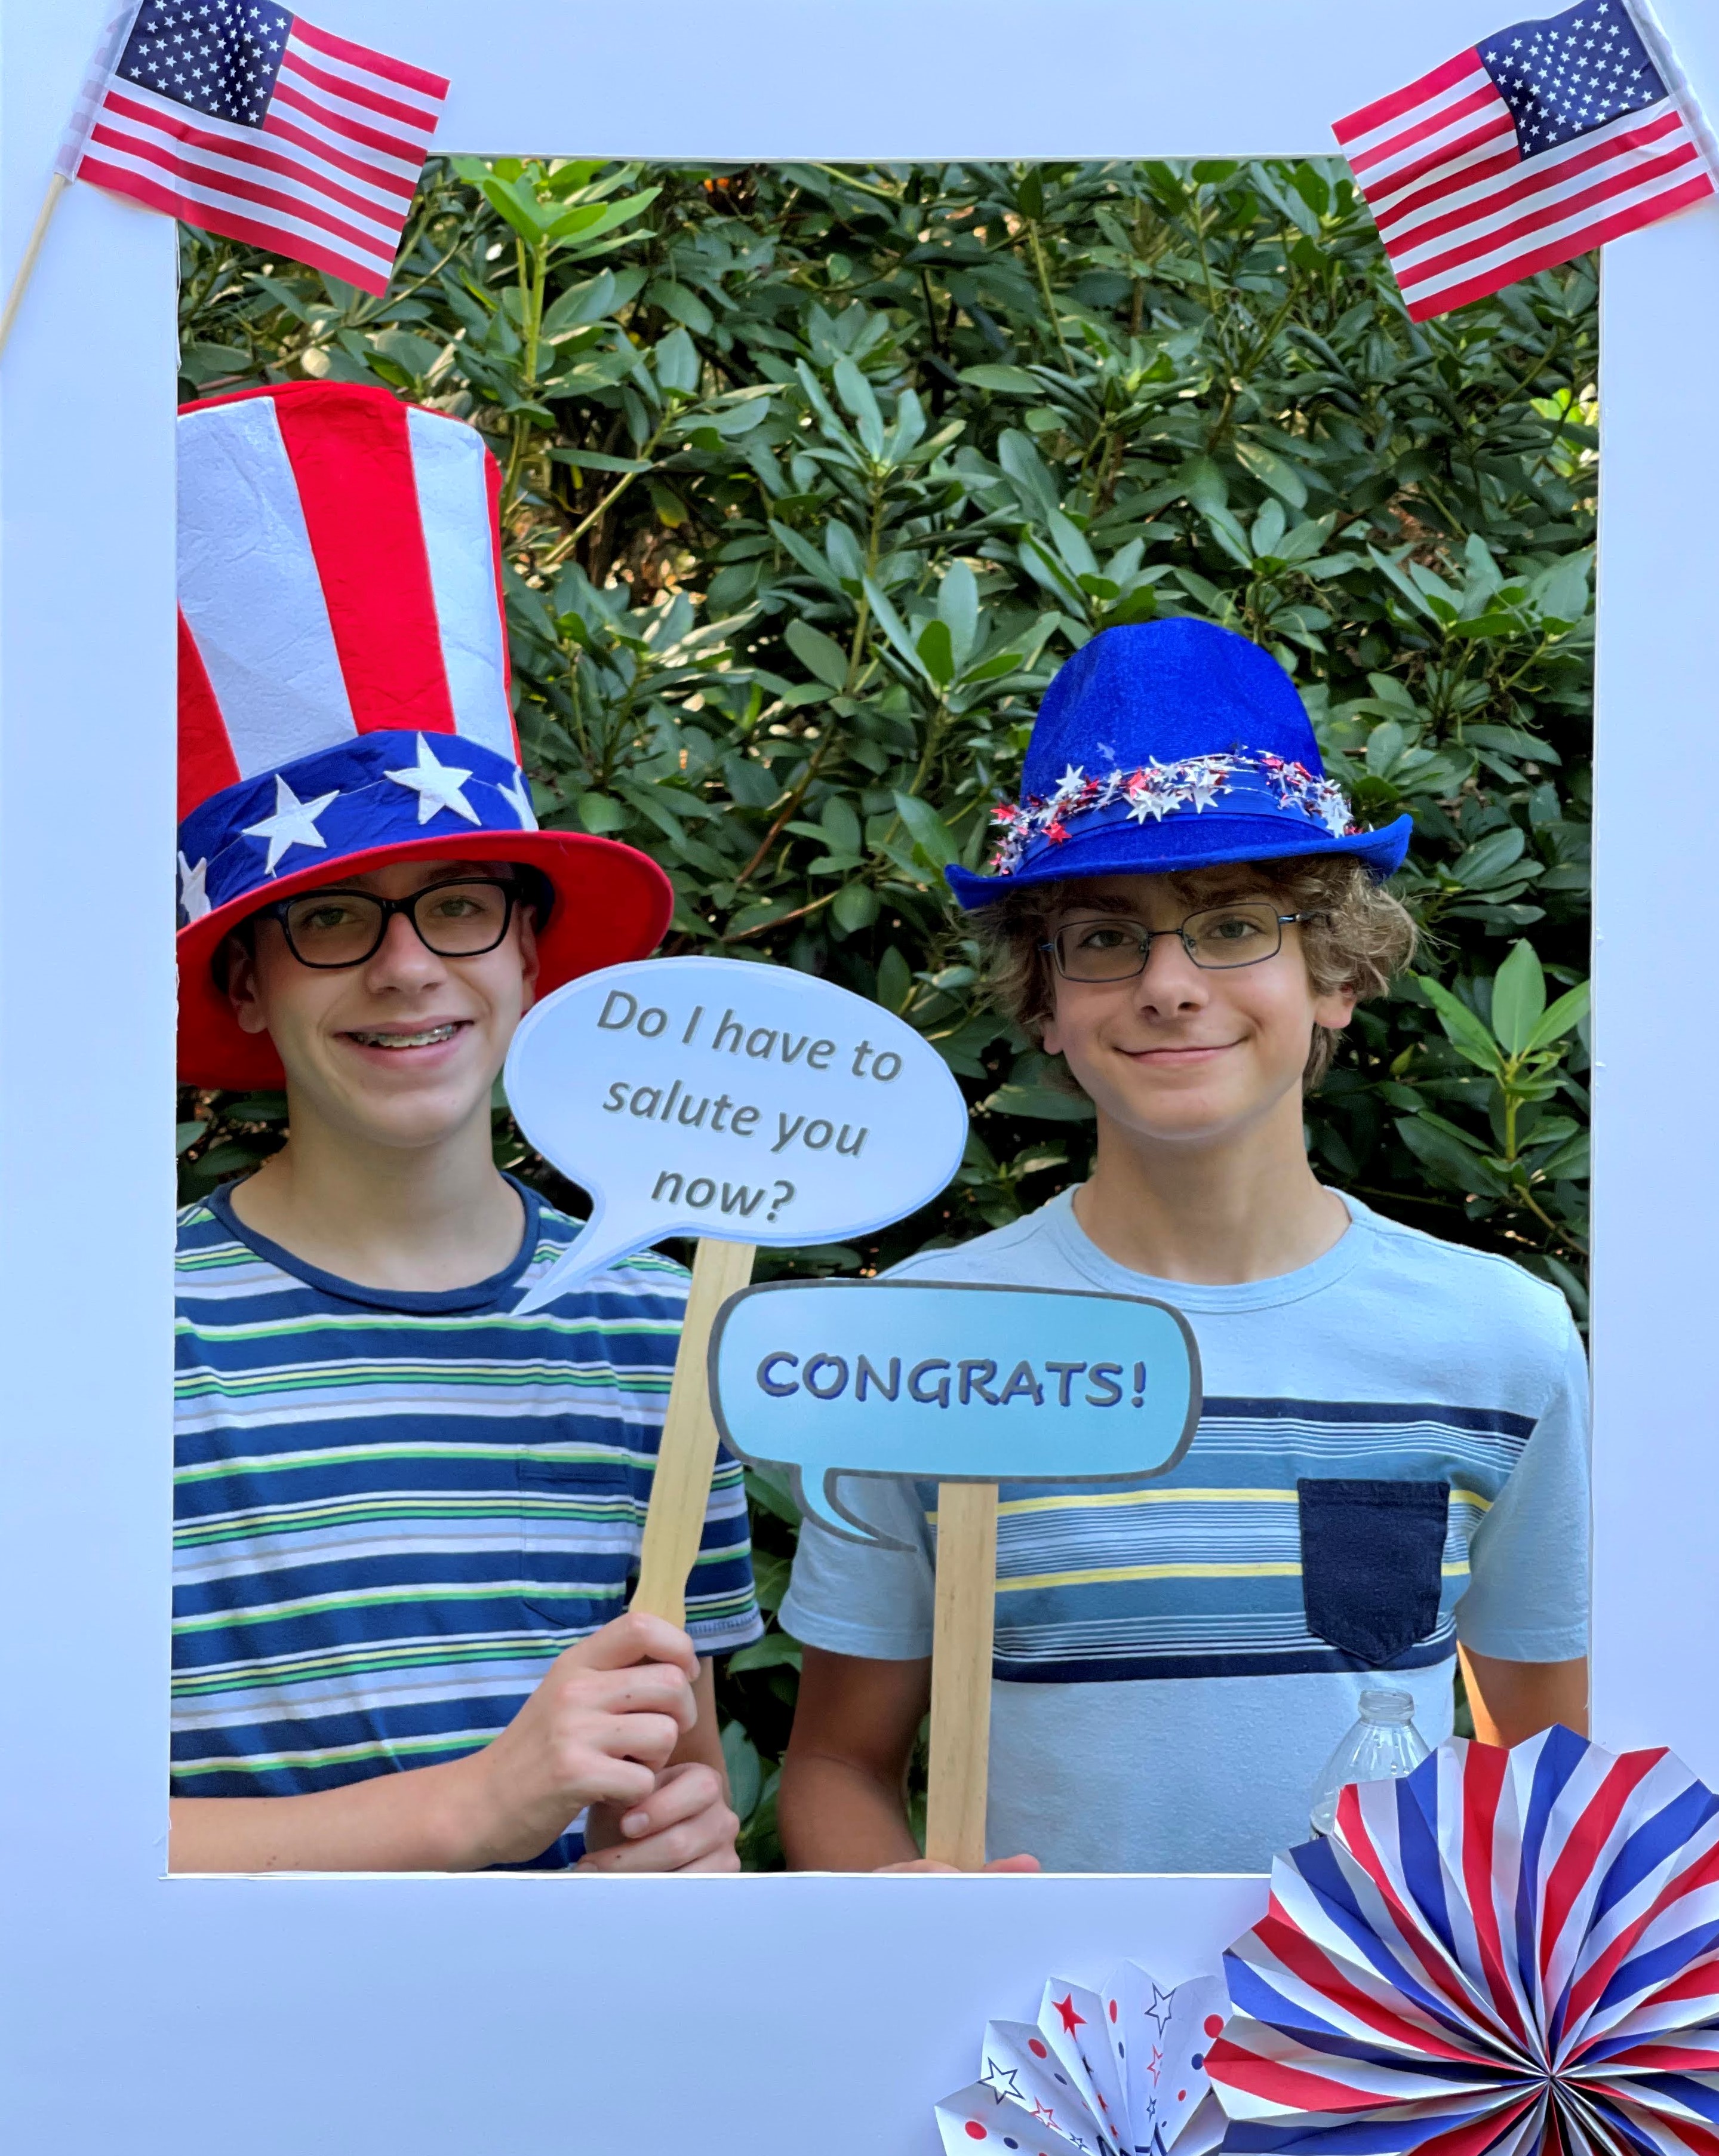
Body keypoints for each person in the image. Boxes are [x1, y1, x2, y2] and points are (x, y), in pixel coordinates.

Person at [777, 617, 1589, 1874]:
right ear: (1045, 1000)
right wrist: (901, 1912)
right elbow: (838, 1763)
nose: (1169, 983)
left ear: (1335, 974)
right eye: (1107, 937)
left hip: (1379, 2011)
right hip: (1027, 2007)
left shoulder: (1498, 1338)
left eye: (1234, 923)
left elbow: (1549, 1779)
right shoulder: (928, 1342)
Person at [171, 382, 759, 1874]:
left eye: (458, 904)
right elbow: (46, 1838)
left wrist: (686, 1849)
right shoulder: (124, 1339)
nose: (407, 966)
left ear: (530, 954)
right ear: (243, 980)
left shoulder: (664, 1331)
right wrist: (469, 1809)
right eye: (330, 917)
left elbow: (672, 1774)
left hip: (564, 2028)